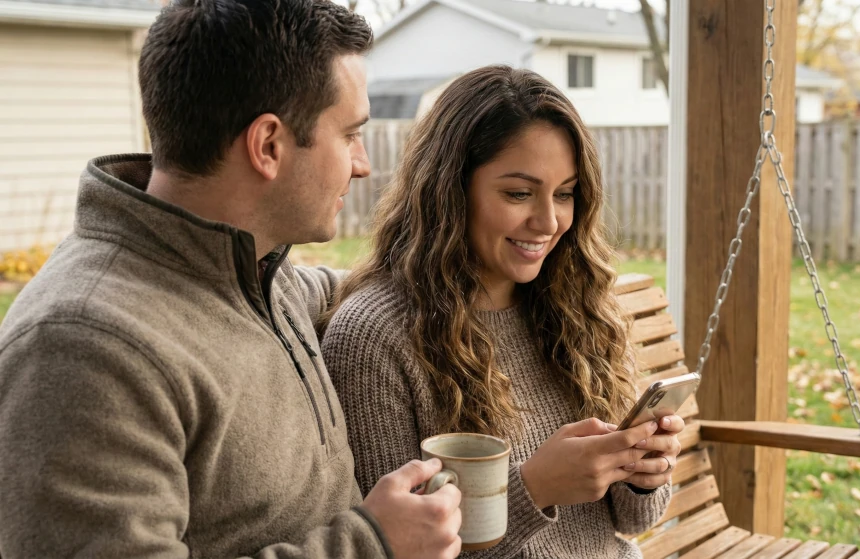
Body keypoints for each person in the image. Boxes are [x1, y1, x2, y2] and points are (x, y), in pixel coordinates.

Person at [0, 0, 462, 557]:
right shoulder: (87, 347)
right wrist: (371, 544)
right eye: (350, 135)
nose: (362, 163)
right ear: (268, 145)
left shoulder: (249, 272)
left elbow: (342, 288)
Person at [319, 65, 681, 558]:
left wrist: (642, 473)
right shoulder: (376, 336)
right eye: (518, 193)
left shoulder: (574, 307)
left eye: (565, 193)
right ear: (449, 189)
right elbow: (403, 550)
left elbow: (632, 522)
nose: (549, 222)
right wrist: (535, 488)